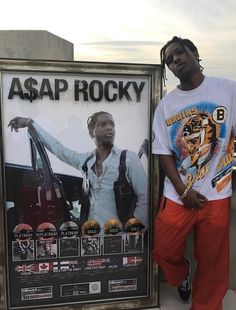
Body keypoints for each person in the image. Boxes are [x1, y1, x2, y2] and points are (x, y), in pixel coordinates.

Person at [152, 36, 236, 310]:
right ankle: (181, 274)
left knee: (213, 264)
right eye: (169, 60)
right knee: (164, 250)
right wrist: (183, 190)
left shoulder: (228, 90)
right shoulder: (166, 105)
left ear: (194, 53)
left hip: (217, 193)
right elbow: (164, 151)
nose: (175, 60)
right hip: (178, 194)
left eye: (179, 53)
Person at [8, 111, 147, 230]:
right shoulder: (85, 161)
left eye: (112, 124)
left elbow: (145, 197)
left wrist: (133, 232)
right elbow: (59, 149)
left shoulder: (128, 159)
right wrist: (30, 123)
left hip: (119, 238)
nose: (109, 128)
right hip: (91, 238)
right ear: (92, 132)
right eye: (103, 124)